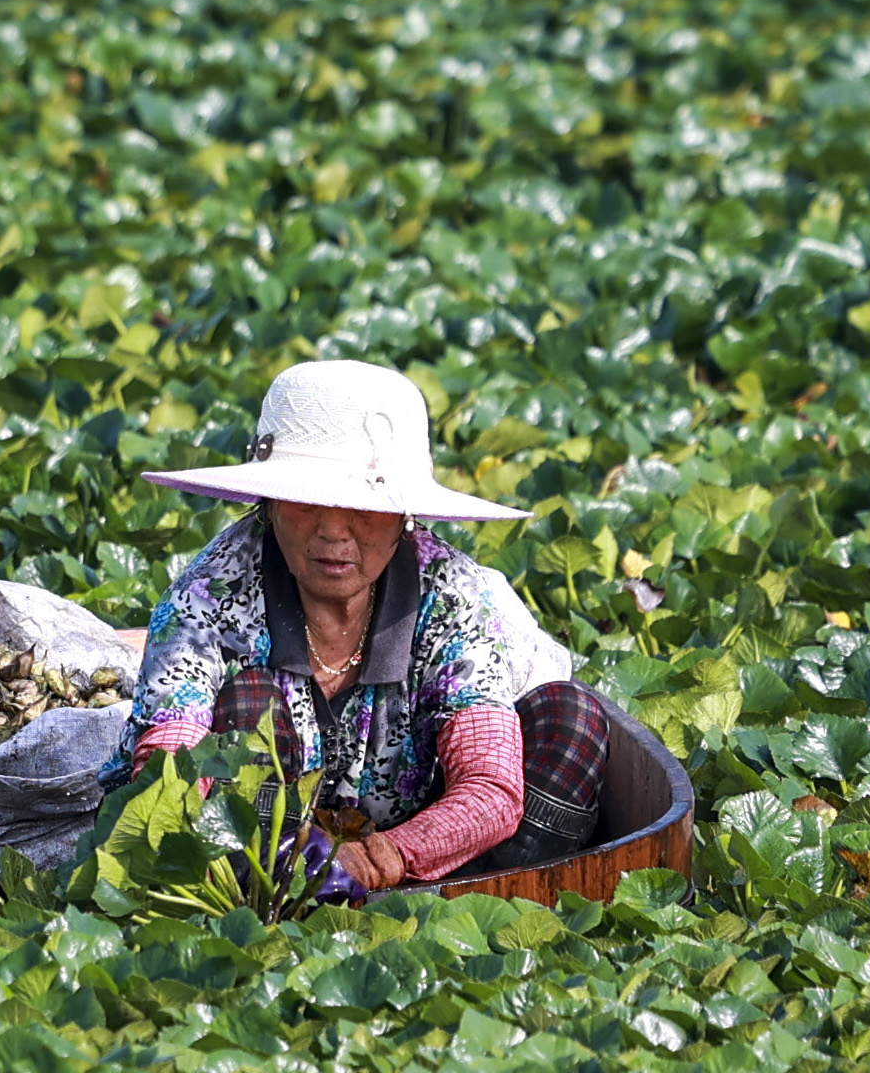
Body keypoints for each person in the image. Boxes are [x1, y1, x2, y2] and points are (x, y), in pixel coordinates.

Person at [103, 359, 608, 893]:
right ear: (268, 504)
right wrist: (298, 862)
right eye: (307, 502)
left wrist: (389, 855)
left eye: (363, 507)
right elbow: (169, 765)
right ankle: (269, 900)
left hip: (419, 855)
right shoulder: (209, 595)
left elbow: (491, 787)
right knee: (251, 704)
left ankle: (468, 901)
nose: (333, 530)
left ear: (404, 515)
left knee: (569, 720)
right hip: (253, 858)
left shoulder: (455, 594)